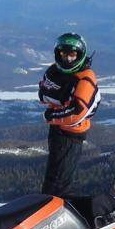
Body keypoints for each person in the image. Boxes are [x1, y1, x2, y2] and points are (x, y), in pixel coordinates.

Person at [38, 32, 100, 197]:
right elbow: (43, 92)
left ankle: (63, 214)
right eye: (63, 54)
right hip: (57, 132)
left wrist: (51, 116)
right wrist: (57, 108)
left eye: (72, 55)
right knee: (53, 179)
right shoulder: (55, 71)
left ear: (80, 55)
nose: (67, 59)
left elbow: (77, 112)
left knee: (59, 185)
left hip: (71, 136)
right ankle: (51, 206)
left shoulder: (85, 78)